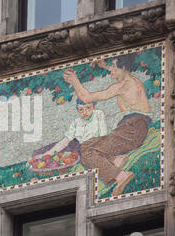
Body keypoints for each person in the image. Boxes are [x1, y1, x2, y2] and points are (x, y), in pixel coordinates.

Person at [63, 56, 153, 196]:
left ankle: (121, 176)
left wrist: (74, 81)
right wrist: (104, 66)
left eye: (114, 67)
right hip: (131, 128)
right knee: (86, 145)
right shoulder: (133, 81)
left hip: (131, 129)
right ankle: (116, 159)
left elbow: (87, 98)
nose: (111, 70)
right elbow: (120, 72)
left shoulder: (123, 85)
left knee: (87, 156)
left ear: (123, 68)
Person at [34, 98, 108, 159]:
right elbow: (66, 140)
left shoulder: (98, 114)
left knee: (66, 155)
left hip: (90, 147)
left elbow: (103, 135)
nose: (85, 112)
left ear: (93, 106)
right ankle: (40, 156)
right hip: (76, 145)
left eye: (88, 108)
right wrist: (48, 154)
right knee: (48, 149)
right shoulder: (76, 122)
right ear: (77, 110)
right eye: (81, 109)